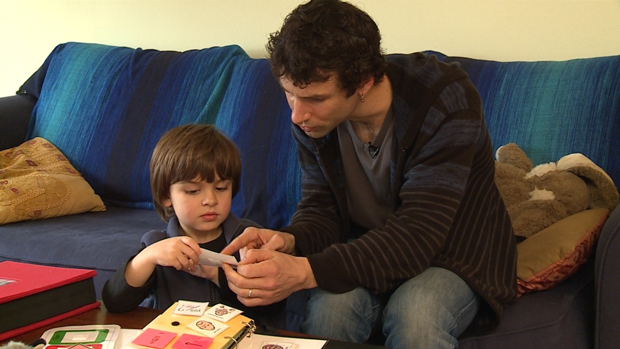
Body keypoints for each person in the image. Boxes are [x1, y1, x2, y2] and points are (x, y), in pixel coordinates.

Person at [221, 0, 518, 348]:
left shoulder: (445, 99)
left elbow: (419, 233)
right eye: (289, 94)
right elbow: (322, 210)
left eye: (315, 98)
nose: (297, 115)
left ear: (363, 82)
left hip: (454, 252)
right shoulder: (313, 121)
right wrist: (290, 242)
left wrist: (304, 270)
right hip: (366, 246)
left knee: (415, 315)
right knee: (330, 313)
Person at [102, 124, 283, 326]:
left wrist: (218, 276)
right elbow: (114, 302)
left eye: (221, 188)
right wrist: (148, 257)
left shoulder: (249, 238)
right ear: (165, 196)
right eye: (193, 191)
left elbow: (274, 306)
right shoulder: (158, 244)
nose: (210, 200)